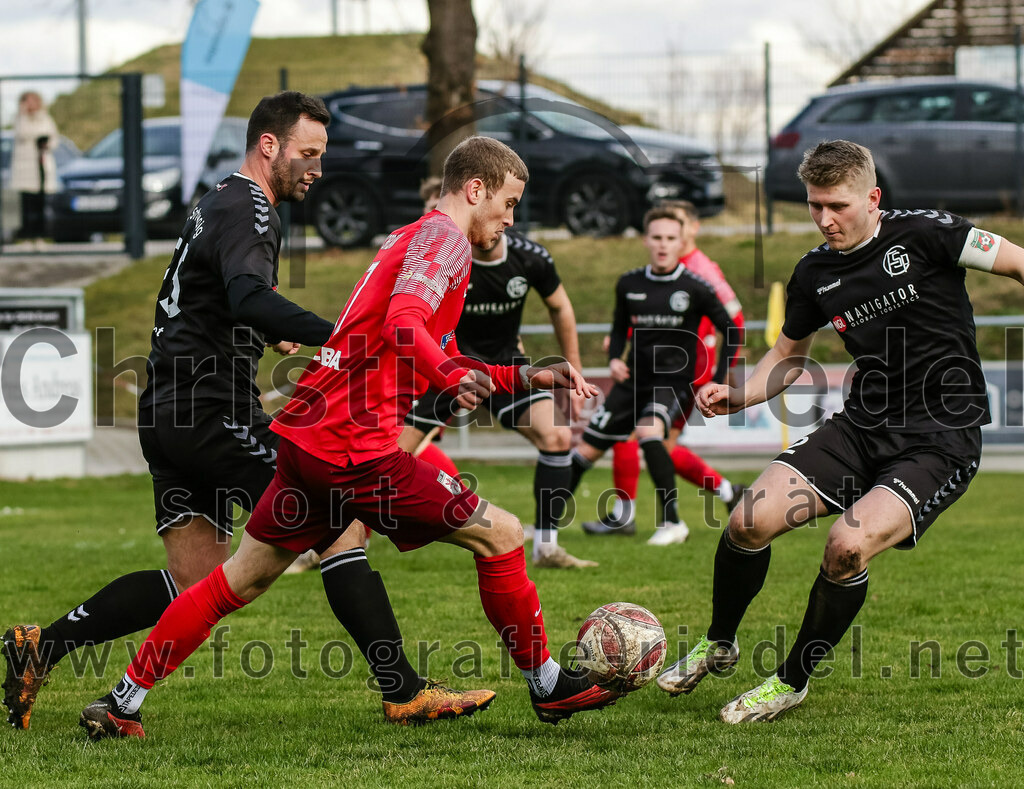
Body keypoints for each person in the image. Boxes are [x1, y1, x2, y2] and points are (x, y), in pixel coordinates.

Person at [78, 135, 626, 740]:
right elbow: (404, 325)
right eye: (510, 201)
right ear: (476, 189)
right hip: (353, 447)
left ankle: (121, 701)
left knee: (243, 576)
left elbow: (437, 345)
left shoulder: (413, 236)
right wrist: (445, 376)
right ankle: (547, 684)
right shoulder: (445, 241)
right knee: (502, 534)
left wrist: (521, 374)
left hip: (306, 442)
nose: (511, 218)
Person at [2, 92, 477, 732]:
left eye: (322, 155)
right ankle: (404, 690)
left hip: (166, 410)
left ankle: (45, 648)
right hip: (210, 408)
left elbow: (221, 295)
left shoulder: (218, 201)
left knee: (193, 577)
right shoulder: (252, 208)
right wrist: (335, 334)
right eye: (307, 154)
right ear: (269, 146)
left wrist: (263, 326)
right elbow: (246, 293)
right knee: (340, 522)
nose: (316, 168)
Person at [656, 139, 1024, 723]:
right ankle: (718, 642)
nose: (826, 219)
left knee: (846, 547)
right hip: (860, 428)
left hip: (939, 439)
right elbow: (787, 353)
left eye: (838, 206)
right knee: (748, 520)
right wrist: (740, 392)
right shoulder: (814, 272)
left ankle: (791, 680)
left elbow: (1019, 262)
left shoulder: (931, 233)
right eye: (814, 206)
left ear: (873, 198)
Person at [400, 225, 596, 569]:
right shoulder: (446, 259)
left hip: (505, 369)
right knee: (385, 457)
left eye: (511, 206)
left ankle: (547, 548)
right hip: (448, 367)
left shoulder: (531, 258)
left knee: (557, 435)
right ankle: (335, 546)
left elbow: (561, 306)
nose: (504, 217)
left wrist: (574, 365)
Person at [567, 207, 739, 546]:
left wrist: (718, 378)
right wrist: (615, 357)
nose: (663, 245)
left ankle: (669, 520)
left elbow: (732, 328)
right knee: (584, 451)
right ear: (646, 240)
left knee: (649, 434)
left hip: (673, 383)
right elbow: (619, 327)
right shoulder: (629, 283)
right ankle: (545, 527)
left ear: (683, 240)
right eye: (657, 238)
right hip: (632, 382)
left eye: (671, 238)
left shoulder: (698, 282)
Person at [11, 91, 59, 248]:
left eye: (33, 101)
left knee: (40, 204)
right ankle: (26, 238)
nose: (31, 104)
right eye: (27, 101)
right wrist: (23, 113)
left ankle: (40, 237)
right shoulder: (19, 119)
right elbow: (22, 133)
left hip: (42, 165)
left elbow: (54, 138)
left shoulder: (46, 119)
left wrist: (46, 143)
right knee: (26, 205)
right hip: (25, 169)